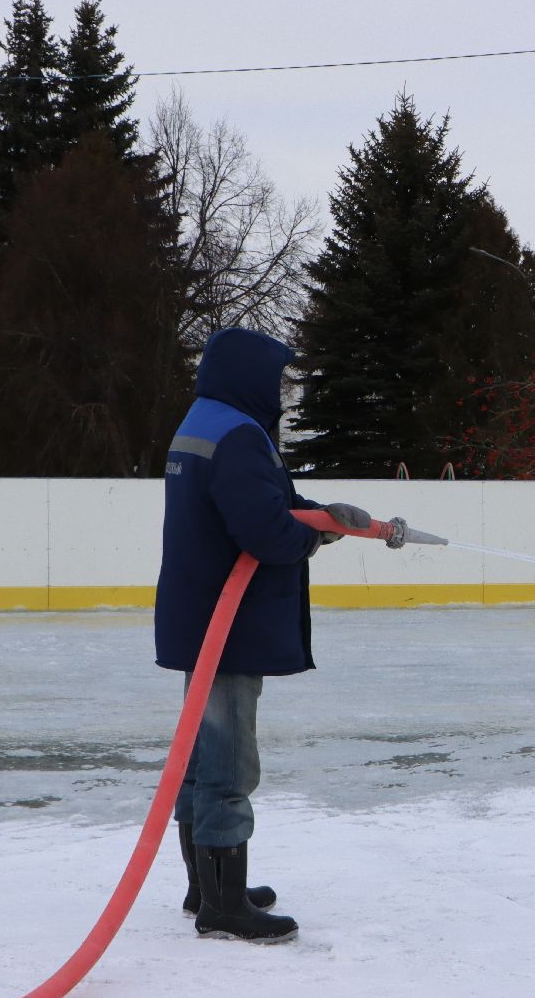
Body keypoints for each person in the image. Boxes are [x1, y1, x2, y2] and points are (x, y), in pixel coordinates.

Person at [154, 326, 379, 944]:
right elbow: (266, 531)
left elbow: (267, 500)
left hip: (198, 616)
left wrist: (325, 516)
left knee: (202, 758)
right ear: (252, 374)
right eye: (277, 377)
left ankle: (207, 885)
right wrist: (314, 536)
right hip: (226, 624)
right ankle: (223, 906)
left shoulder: (206, 421)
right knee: (227, 760)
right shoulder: (239, 435)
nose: (280, 391)